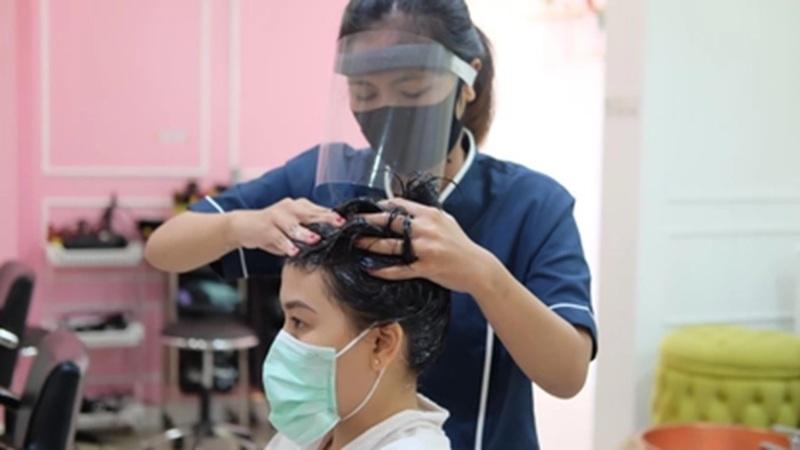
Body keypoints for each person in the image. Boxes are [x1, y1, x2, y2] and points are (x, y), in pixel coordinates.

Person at [145, 1, 598, 448]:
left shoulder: (532, 205)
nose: (386, 111)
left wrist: (482, 275)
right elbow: (164, 248)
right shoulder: (326, 181)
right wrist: (244, 225)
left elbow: (566, 374)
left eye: (413, 90)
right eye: (364, 93)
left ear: (468, 82)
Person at [264, 186, 452, 450]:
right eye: (286, 319)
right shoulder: (309, 435)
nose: (283, 342)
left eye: (299, 321)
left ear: (381, 343)